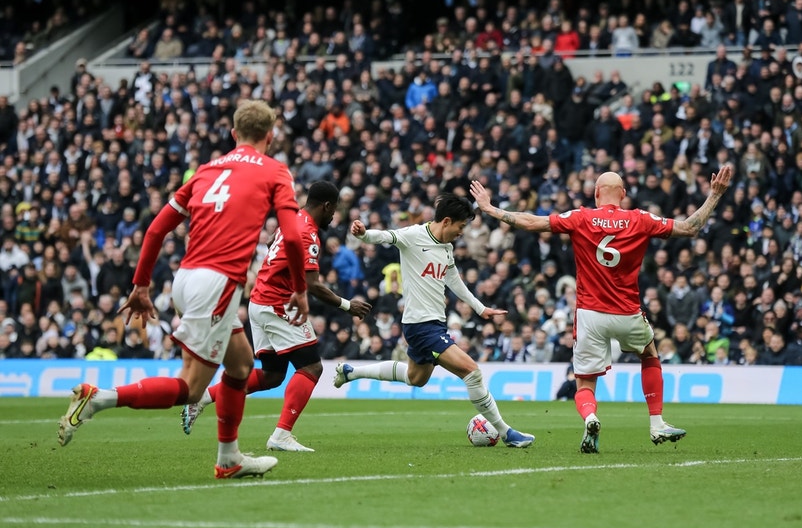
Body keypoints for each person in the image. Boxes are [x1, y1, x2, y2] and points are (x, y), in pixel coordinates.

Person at [58, 100, 310, 479]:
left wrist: (141, 284)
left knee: (240, 365)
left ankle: (230, 458)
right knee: (192, 387)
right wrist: (301, 288)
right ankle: (100, 398)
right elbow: (292, 236)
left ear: (232, 134)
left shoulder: (206, 171)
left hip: (186, 279)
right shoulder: (275, 171)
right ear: (270, 137)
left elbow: (157, 228)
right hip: (218, 284)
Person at [470, 164, 733, 453]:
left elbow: (532, 222)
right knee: (649, 353)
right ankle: (656, 422)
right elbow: (690, 227)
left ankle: (592, 417)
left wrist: (492, 209)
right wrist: (714, 196)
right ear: (623, 194)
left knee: (584, 380)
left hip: (590, 314)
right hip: (627, 312)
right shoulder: (640, 219)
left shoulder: (580, 217)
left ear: (596, 193)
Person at [179, 181, 372, 451]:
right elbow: (312, 284)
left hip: (260, 301)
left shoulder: (292, 221)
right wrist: (347, 305)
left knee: (272, 375)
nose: (333, 217)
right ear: (326, 206)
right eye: (333, 210)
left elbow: (272, 244)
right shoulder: (308, 233)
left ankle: (203, 398)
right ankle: (281, 435)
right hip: (277, 304)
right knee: (312, 368)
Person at [333, 193, 535, 447]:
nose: (461, 233)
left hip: (433, 324)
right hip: (421, 325)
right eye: (461, 227)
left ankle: (352, 373)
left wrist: (480, 308)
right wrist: (363, 234)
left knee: (415, 378)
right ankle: (507, 433)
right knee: (472, 372)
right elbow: (386, 236)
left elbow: (454, 282)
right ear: (447, 221)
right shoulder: (414, 236)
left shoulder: (447, 248)